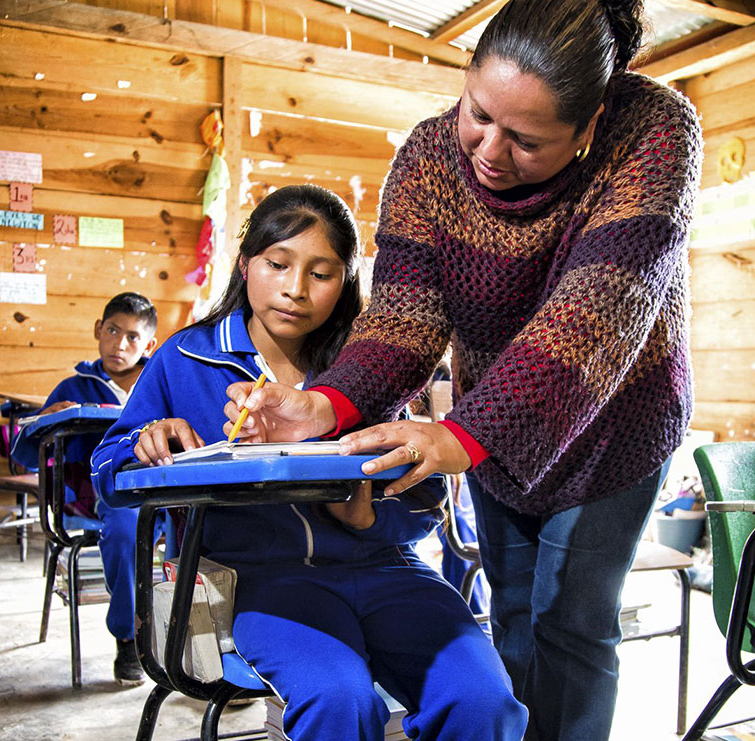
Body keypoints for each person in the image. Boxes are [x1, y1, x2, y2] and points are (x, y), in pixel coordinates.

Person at [222, 2, 703, 739]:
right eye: (478, 113)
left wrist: (456, 437)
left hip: (615, 424)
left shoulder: (656, 132)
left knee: (571, 617)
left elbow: (595, 315)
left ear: (591, 124)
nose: (488, 149)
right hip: (496, 433)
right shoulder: (427, 157)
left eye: (527, 140)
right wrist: (326, 403)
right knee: (511, 608)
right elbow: (405, 316)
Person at [90, 184, 527, 741]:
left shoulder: (374, 365)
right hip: (261, 581)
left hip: (388, 570)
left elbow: (425, 498)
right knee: (337, 699)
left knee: (484, 701)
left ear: (346, 282)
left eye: (321, 274)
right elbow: (107, 471)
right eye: (277, 264)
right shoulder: (186, 357)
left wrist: (366, 521)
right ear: (245, 264)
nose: (295, 289)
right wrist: (144, 442)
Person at [10, 292, 159, 686]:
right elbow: (25, 453)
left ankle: (197, 640)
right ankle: (129, 636)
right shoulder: (74, 386)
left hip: (162, 492)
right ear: (98, 329)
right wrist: (44, 418)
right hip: (98, 498)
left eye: (132, 337)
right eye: (112, 331)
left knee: (214, 522)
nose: (120, 344)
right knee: (127, 530)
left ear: (149, 345)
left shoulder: (158, 380)